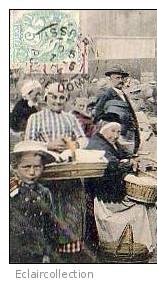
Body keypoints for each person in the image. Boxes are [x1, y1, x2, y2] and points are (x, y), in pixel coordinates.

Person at [24, 82, 89, 260]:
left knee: (70, 213)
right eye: (53, 96)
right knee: (47, 213)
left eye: (61, 98)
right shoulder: (35, 118)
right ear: (46, 98)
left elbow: (84, 140)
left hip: (68, 174)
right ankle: (46, 253)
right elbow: (28, 144)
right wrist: (47, 145)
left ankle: (69, 254)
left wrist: (73, 144)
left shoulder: (70, 118)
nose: (57, 101)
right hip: (45, 175)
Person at [85, 114, 157, 258]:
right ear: (103, 129)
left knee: (149, 206)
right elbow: (111, 165)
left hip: (111, 190)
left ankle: (142, 245)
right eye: (113, 131)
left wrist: (129, 159)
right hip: (104, 197)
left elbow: (120, 156)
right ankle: (131, 245)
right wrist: (128, 163)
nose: (116, 135)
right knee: (141, 208)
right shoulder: (97, 145)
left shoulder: (107, 142)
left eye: (118, 132)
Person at [10, 141, 59, 263]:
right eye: (26, 167)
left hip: (37, 253)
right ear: (15, 167)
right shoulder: (10, 190)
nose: (32, 172)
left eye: (37, 167)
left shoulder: (44, 192)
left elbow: (50, 226)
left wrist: (47, 253)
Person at [93, 65, 140, 153]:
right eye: (117, 78)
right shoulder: (106, 95)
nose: (121, 81)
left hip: (128, 134)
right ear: (110, 79)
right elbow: (97, 115)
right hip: (116, 136)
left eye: (122, 78)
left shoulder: (122, 94)